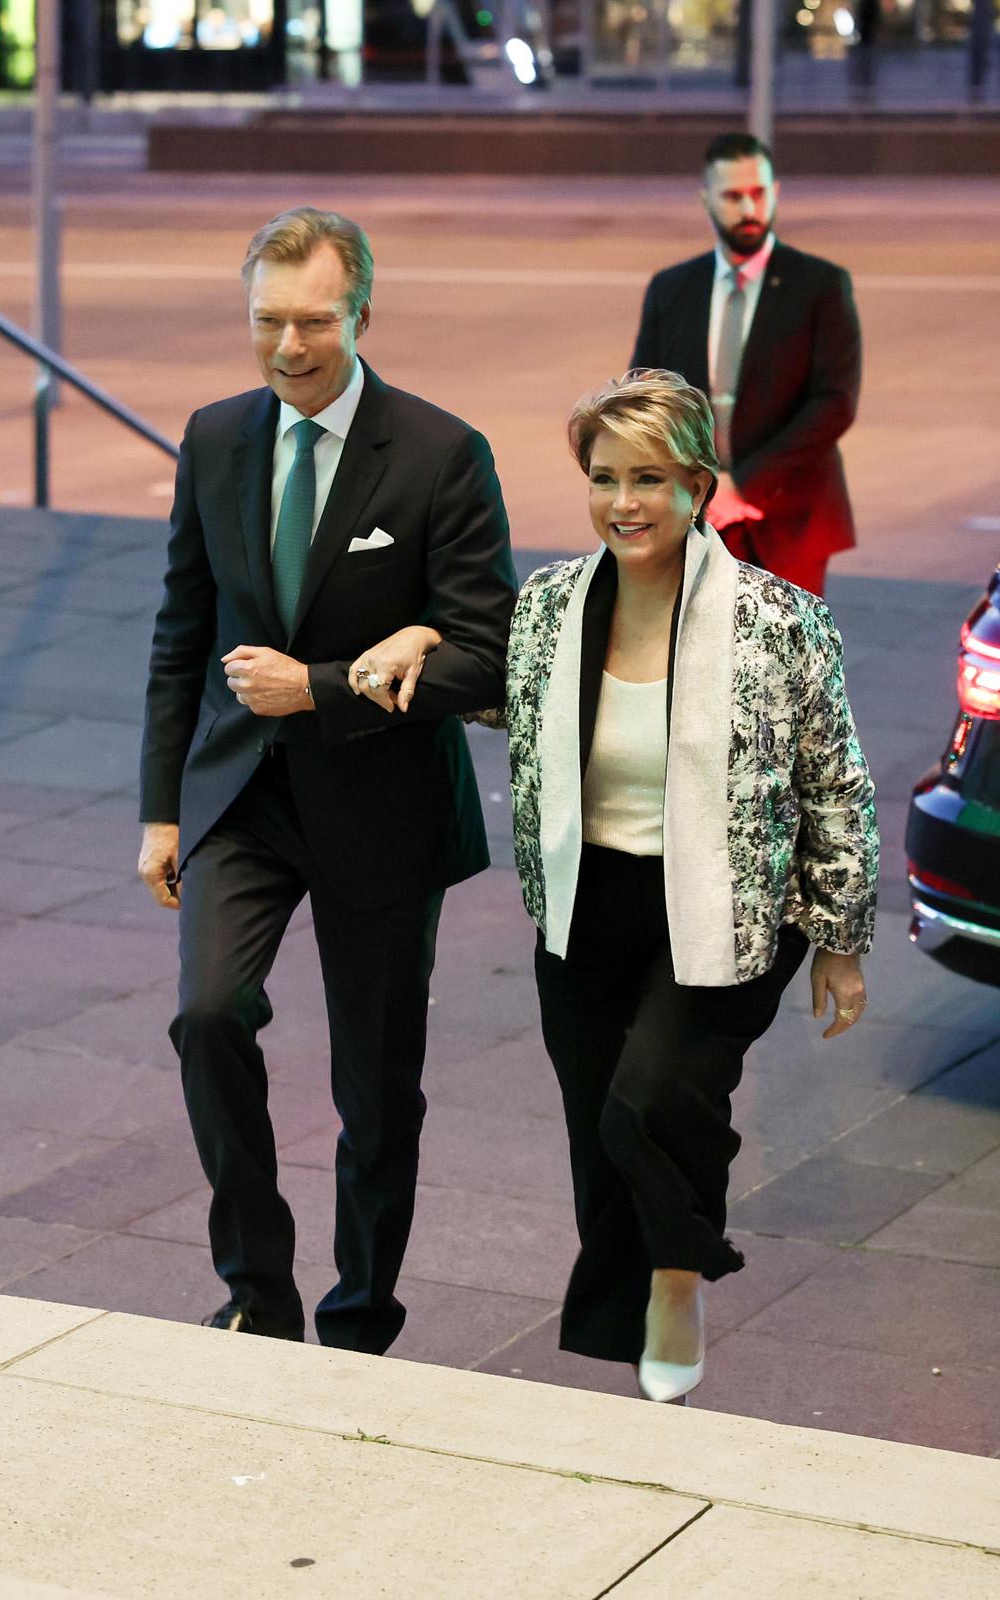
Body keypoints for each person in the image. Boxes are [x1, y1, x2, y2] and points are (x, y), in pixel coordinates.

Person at [357, 370, 877, 1403]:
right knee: (598, 1121)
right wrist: (421, 633)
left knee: (653, 1099)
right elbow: (494, 690)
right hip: (585, 903)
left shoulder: (779, 622)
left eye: (647, 478)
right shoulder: (551, 604)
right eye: (603, 478)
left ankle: (677, 1276)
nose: (622, 502)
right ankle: (620, 1302)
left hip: (725, 910)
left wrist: (840, 938)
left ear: (696, 485)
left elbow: (833, 780)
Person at [137, 206, 516, 1354]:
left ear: (361, 315)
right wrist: (160, 808)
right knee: (206, 1015)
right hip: (239, 799)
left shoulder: (441, 450)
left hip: (382, 805)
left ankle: (359, 1316)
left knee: (376, 1087)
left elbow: (485, 651)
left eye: (312, 321)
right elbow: (180, 632)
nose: (287, 346)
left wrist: (326, 686)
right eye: (266, 321)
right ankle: (257, 1284)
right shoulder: (212, 439)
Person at [629, 131, 861, 597]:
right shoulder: (671, 288)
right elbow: (646, 399)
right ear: (706, 200)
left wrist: (745, 485)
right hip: (699, 517)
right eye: (733, 196)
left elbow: (833, 404)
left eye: (758, 194)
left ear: (775, 193)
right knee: (699, 659)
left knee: (788, 664)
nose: (750, 209)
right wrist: (703, 488)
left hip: (792, 517)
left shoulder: (820, 286)